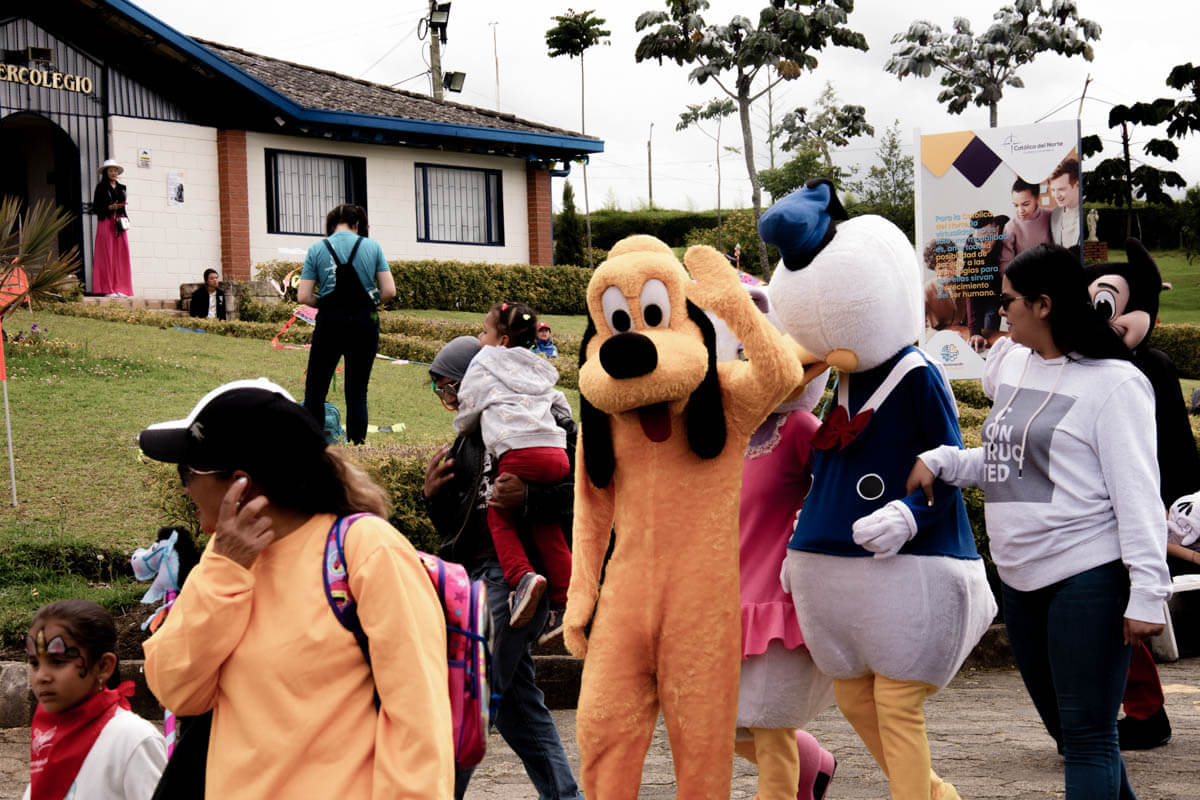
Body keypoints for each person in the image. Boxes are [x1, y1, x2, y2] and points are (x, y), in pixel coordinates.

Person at [907, 244, 1171, 799]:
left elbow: (1138, 493)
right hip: (1019, 578)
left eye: (1008, 301)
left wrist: (1148, 590)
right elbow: (1009, 460)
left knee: (1089, 737)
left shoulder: (1115, 384)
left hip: (1088, 576)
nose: (1000, 311)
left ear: (1044, 305)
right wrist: (945, 461)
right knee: (1075, 735)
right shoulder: (1015, 364)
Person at [140, 378, 453, 799]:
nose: (184, 486)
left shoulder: (367, 550)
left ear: (240, 484)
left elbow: (420, 725)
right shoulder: (223, 558)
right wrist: (225, 570)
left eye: (188, 471)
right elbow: (175, 689)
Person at [424, 335, 584, 800]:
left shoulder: (546, 421)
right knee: (518, 707)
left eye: (450, 388)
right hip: (474, 581)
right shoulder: (466, 440)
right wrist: (433, 496)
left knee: (470, 698)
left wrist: (528, 497)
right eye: (441, 392)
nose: (450, 400)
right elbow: (455, 527)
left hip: (516, 582)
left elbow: (580, 497)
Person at [453, 302, 573, 636]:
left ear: (502, 340)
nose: (481, 338)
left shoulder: (485, 360)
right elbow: (559, 402)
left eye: (484, 331)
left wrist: (463, 425)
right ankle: (565, 602)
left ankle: (521, 578)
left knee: (499, 515)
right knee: (546, 527)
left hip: (521, 451)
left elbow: (469, 404)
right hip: (556, 451)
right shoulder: (537, 364)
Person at [25, 599, 166, 800]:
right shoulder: (47, 736)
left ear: (103, 666)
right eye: (34, 663)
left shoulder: (133, 739)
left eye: (57, 661)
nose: (41, 676)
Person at [298, 204, 397, 444]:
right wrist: (370, 301)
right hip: (364, 325)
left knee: (315, 391)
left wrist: (324, 303)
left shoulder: (317, 249)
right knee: (357, 392)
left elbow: (303, 296)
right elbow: (389, 291)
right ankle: (358, 447)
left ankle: (315, 449)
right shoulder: (372, 247)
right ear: (357, 224)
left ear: (331, 224)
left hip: (329, 325)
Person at [963, 210, 1010, 353]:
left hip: (1001, 290)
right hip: (981, 291)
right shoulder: (971, 246)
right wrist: (974, 332)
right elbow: (971, 287)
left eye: (987, 239)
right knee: (978, 337)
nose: (983, 245)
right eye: (978, 241)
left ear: (996, 230)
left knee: (993, 334)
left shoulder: (1007, 229)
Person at [92, 159, 132, 297]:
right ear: (106, 172)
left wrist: (125, 219)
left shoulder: (122, 188)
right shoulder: (100, 187)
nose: (114, 173)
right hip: (106, 222)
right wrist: (108, 208)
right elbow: (95, 208)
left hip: (119, 222)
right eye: (110, 170)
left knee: (121, 255)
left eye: (115, 170)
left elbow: (124, 206)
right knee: (107, 254)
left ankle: (121, 288)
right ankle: (107, 289)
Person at [998, 178, 1052, 272]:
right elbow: (1005, 263)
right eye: (1016, 205)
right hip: (1022, 276)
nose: (1020, 210)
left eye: (1025, 204)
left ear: (1037, 198)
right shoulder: (1011, 227)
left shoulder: (1050, 216)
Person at [1048, 159, 1082, 253]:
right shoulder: (1055, 214)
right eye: (1053, 190)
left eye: (1061, 189)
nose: (1056, 195)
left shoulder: (1088, 211)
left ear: (1077, 185)